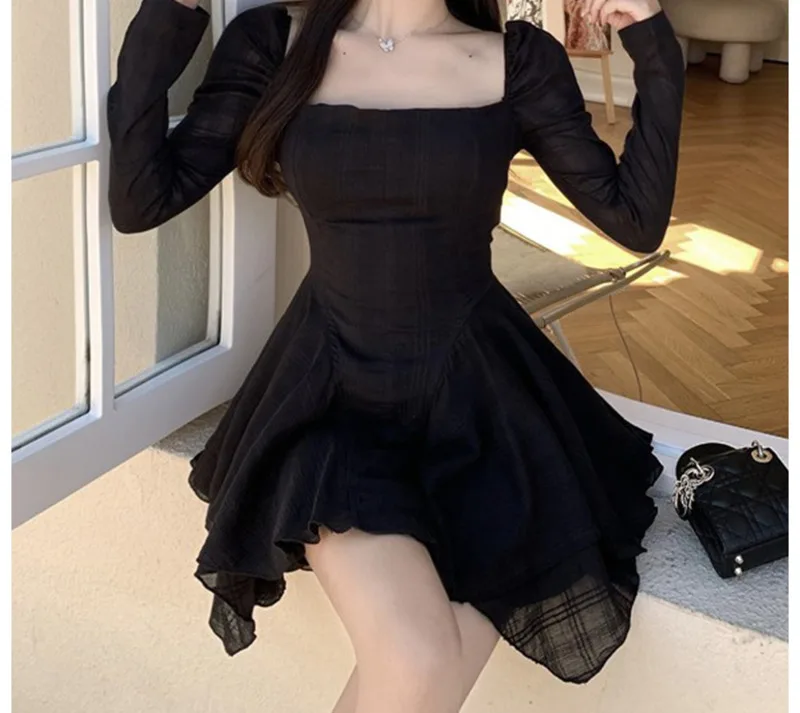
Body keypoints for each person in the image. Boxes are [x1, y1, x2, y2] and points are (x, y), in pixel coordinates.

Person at [108, 0, 683, 710]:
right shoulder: (273, 44)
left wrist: (651, 42)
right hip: (330, 407)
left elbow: (635, 218)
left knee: (420, 671)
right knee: (418, 660)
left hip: (483, 411)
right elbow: (141, 199)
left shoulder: (516, 61)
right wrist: (171, 12)